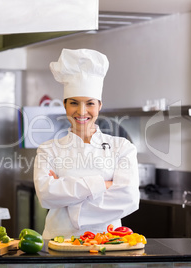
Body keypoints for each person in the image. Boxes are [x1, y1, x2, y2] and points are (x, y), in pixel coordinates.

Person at [33, 48, 140, 240]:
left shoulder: (123, 148)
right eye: (74, 103)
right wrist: (102, 184)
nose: (82, 111)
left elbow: (128, 199)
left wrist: (69, 203)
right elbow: (46, 196)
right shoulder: (48, 150)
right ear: (65, 105)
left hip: (108, 242)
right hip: (59, 242)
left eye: (90, 103)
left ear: (99, 105)